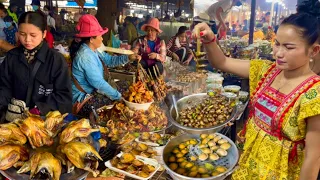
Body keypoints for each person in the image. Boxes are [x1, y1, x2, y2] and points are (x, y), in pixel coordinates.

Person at [194, 12, 320, 180]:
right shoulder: (264, 71)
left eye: (289, 47)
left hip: (281, 173)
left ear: (314, 51)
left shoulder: (314, 94)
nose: (278, 53)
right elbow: (221, 62)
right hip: (249, 165)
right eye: (277, 44)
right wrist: (209, 39)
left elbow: (313, 157)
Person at [0, 12, 72, 117]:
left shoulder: (56, 60)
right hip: (14, 119)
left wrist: (40, 109)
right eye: (22, 34)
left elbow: (64, 96)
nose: (27, 40)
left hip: (43, 121)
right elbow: (4, 87)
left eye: (33, 35)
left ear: (44, 34)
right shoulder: (12, 56)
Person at [71, 15, 141, 117]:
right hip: (83, 99)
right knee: (117, 106)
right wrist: (119, 97)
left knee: (127, 86)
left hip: (94, 91)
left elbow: (109, 60)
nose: (102, 38)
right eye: (100, 36)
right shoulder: (85, 56)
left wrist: (128, 58)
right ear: (91, 39)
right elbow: (99, 84)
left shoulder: (93, 51)